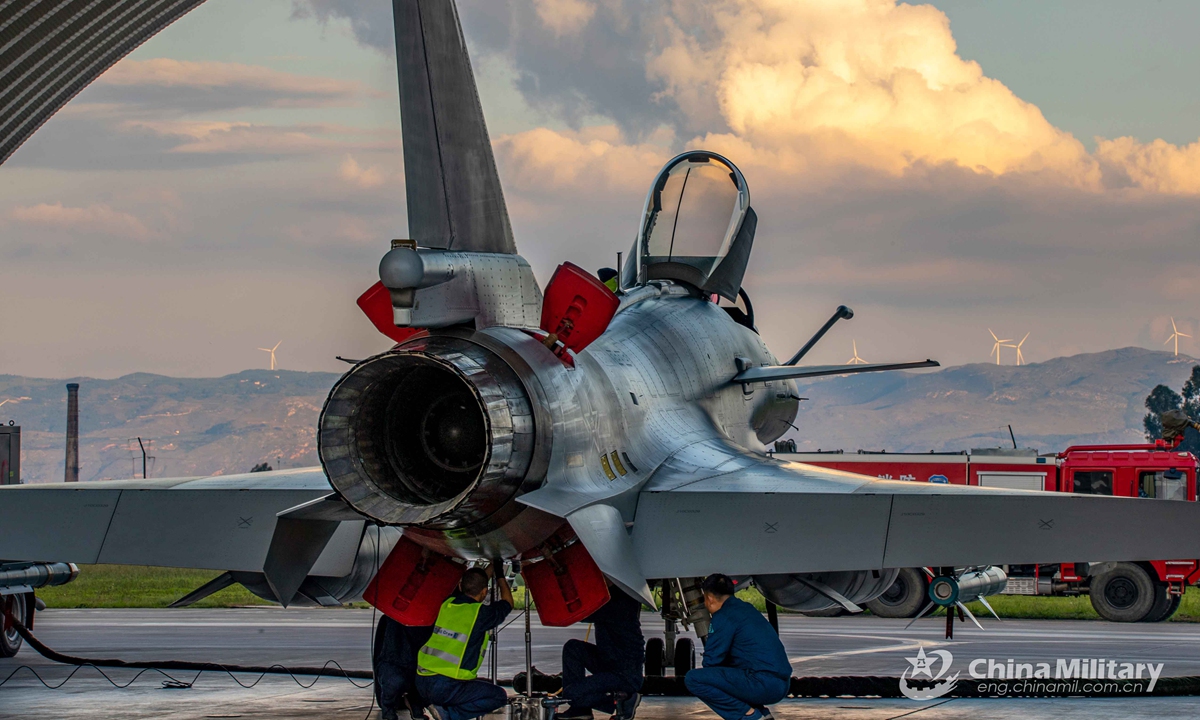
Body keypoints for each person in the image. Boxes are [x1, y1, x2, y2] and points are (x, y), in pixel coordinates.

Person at [684, 574, 791, 720]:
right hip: (781, 684)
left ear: (709, 598)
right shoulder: (746, 609)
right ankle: (763, 714)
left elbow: (711, 661)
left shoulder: (723, 616)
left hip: (763, 684)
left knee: (694, 679)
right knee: (734, 673)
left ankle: (750, 716)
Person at [415, 565, 514, 720]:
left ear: (461, 586)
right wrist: (500, 575)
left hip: (422, 681)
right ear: (484, 592)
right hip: (446, 686)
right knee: (498, 696)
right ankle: (450, 715)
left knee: (468, 690)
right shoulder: (480, 614)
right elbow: (508, 602)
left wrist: (492, 565)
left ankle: (440, 706)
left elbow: (474, 582)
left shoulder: (448, 603)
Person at [556, 584, 645, 719]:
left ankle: (625, 699)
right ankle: (580, 711)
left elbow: (580, 613)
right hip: (610, 660)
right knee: (573, 648)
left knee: (571, 694)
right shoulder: (613, 595)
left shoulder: (618, 600)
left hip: (625, 674)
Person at [374, 615, 433, 720]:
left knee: (423, 679)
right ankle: (389, 707)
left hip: (422, 623)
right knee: (394, 680)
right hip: (394, 660)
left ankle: (415, 702)